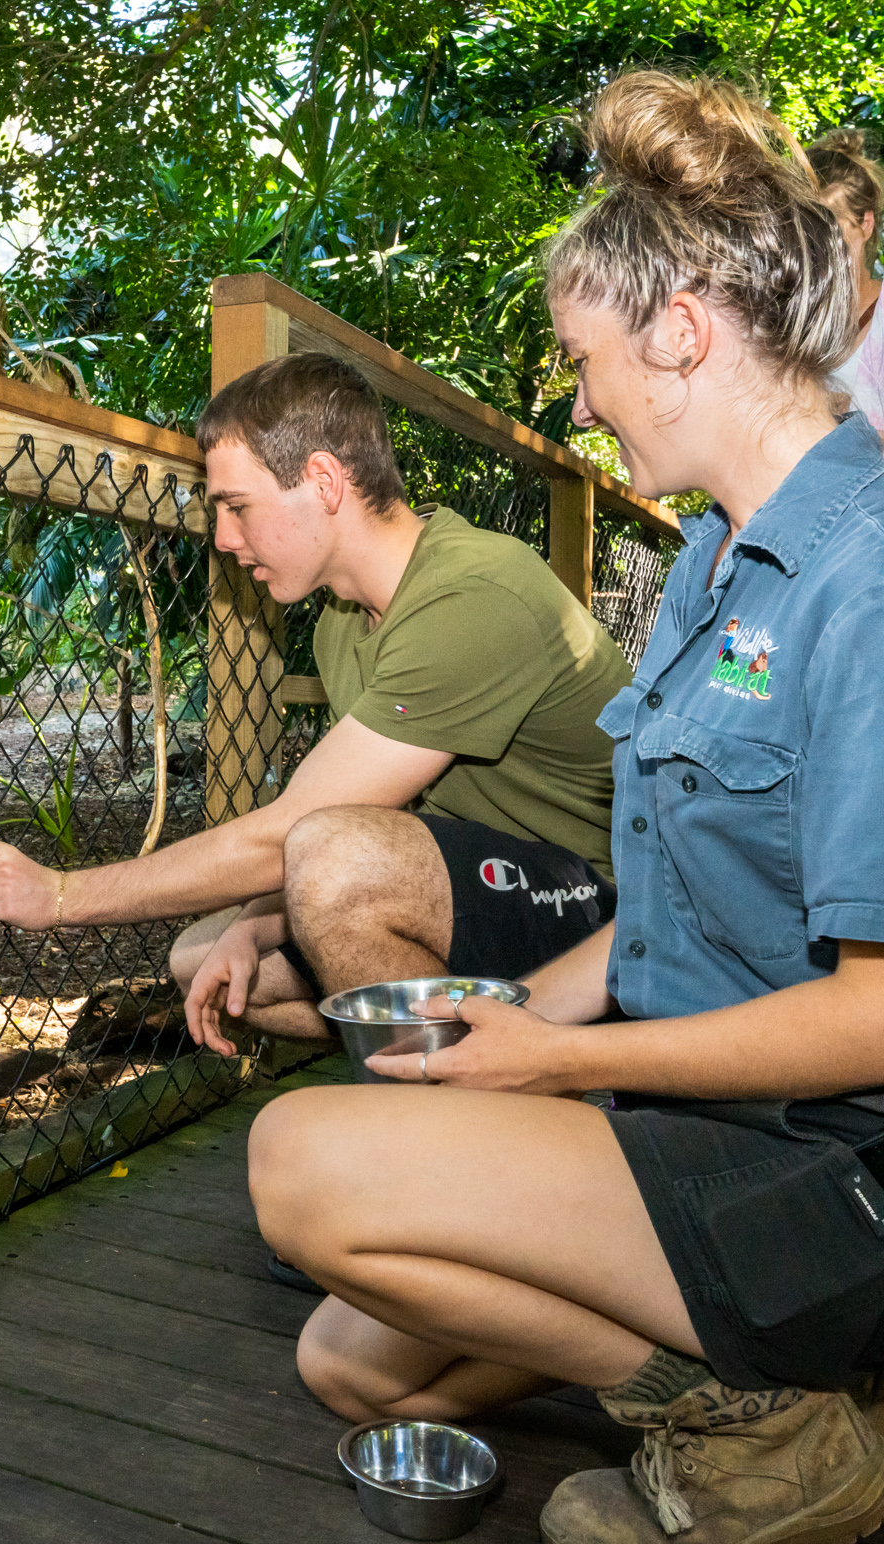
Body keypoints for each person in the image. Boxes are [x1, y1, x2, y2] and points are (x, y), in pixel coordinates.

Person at [250, 71, 884, 1544]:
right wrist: (509, 1019)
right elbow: (667, 900)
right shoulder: (714, 569)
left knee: (299, 1162)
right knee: (349, 1363)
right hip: (693, 1118)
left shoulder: (862, 577)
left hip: (828, 1172)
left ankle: (771, 1432)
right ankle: (752, 1391)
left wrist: (550, 1072)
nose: (580, 399)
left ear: (680, 334)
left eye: (584, 360)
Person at [0, 352, 630, 1054]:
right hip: (476, 889)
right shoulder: (338, 627)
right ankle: (455, 1059)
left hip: (600, 912)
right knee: (207, 958)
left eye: (237, 506)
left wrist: (61, 897)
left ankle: (458, 1112)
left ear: (323, 480)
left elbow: (296, 835)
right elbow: (371, 815)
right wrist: (255, 927)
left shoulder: (472, 596)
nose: (225, 538)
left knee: (330, 857)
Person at [808, 128, 882, 418]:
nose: (817, 248)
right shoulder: (790, 318)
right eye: (805, 231)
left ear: (865, 224)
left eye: (830, 231)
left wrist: (842, 422)